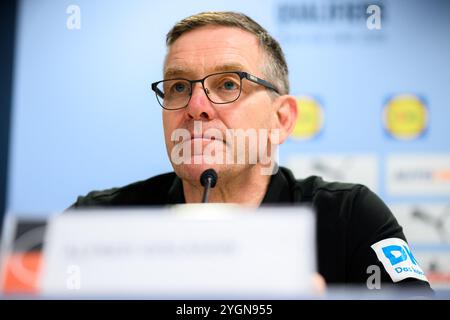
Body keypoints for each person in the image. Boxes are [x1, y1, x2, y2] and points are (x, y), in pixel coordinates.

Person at [70, 11, 432, 294]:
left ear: (282, 119)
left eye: (228, 83)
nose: (196, 106)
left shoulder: (349, 217)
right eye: (179, 86)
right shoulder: (97, 221)